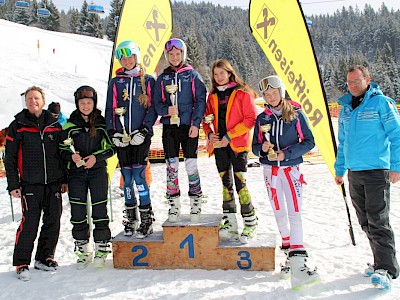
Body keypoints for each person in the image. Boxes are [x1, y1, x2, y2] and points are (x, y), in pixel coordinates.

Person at [334, 65, 400, 290]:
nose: (352, 86)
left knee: (378, 220)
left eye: (356, 81)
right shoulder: (346, 109)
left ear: (367, 79)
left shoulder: (382, 103)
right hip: (355, 172)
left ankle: (387, 269)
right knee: (365, 221)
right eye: (349, 82)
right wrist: (340, 169)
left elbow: (397, 135)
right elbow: (343, 142)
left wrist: (396, 166)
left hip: (376, 171)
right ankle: (378, 262)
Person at [252, 75, 320, 289]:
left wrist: (286, 154)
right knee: (278, 212)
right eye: (267, 94)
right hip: (269, 171)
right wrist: (261, 149)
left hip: (290, 170)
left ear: (281, 92)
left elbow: (309, 141)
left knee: (295, 212)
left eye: (274, 93)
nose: (271, 97)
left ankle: (299, 264)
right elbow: (254, 145)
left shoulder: (296, 114)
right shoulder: (262, 118)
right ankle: (290, 257)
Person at [4, 86, 67, 281]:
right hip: (30, 184)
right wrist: (13, 184)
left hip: (54, 183)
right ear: (26, 102)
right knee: (29, 223)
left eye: (37, 98)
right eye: (30, 99)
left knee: (53, 220)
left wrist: (64, 179)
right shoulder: (18, 125)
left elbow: (62, 153)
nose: (33, 101)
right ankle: (22, 263)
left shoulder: (55, 124)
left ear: (43, 100)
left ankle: (44, 257)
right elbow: (10, 158)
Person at [201, 59, 257, 244]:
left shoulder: (242, 93)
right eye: (215, 74)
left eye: (221, 73)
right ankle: (231, 222)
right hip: (219, 147)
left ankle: (250, 222)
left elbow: (250, 119)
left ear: (230, 73)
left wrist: (229, 136)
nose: (218, 77)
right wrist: (210, 135)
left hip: (237, 145)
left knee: (240, 183)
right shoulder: (213, 95)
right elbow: (205, 120)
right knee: (226, 183)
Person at [105, 40, 157, 238]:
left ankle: (146, 218)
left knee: (139, 177)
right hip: (122, 137)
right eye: (123, 58)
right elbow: (111, 108)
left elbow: (153, 108)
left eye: (130, 57)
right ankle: (131, 217)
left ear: (136, 57)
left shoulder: (148, 80)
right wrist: (112, 132)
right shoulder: (116, 81)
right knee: (126, 179)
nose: (126, 61)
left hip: (141, 136)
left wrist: (144, 130)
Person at [60, 85, 115, 269]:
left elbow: (111, 148)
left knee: (99, 210)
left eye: (88, 102)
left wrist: (96, 157)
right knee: (78, 213)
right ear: (77, 104)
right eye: (82, 103)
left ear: (94, 103)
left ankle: (101, 248)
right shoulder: (70, 124)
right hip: (76, 174)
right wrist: (71, 156)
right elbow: (61, 148)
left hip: (98, 171)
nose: (85, 106)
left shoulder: (101, 122)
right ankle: (83, 250)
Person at [153, 38, 206, 223]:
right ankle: (174, 205)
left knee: (191, 165)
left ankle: (196, 203)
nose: (174, 57)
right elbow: (156, 103)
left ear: (183, 54)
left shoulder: (192, 75)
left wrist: (195, 124)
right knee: (171, 166)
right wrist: (166, 110)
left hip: (188, 127)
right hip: (169, 128)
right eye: (171, 54)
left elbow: (200, 101)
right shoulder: (162, 78)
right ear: (167, 55)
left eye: (178, 54)